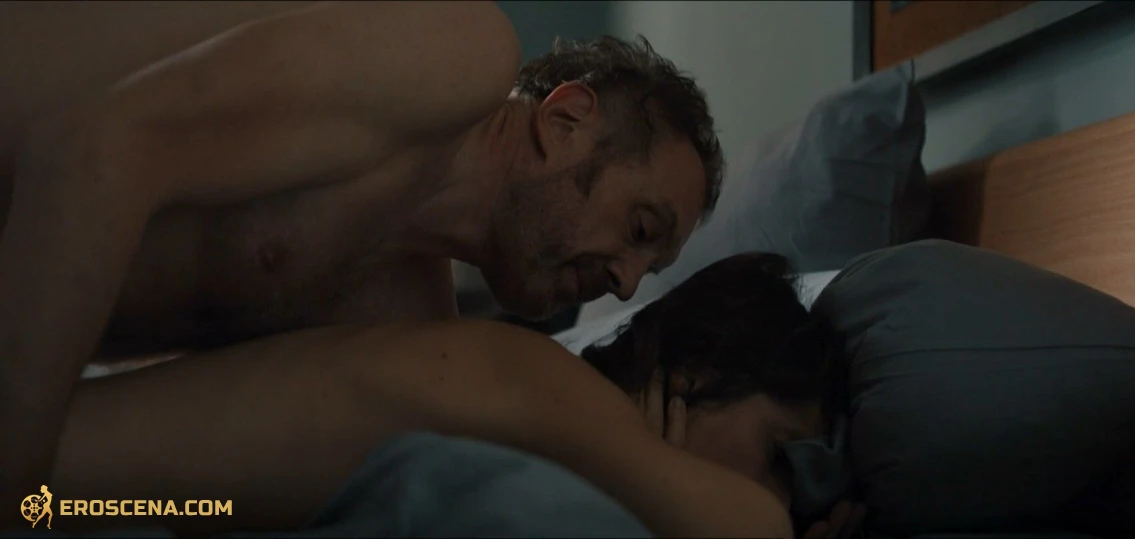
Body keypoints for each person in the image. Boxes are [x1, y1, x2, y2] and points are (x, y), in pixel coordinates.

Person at [0, 1, 725, 511]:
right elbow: (93, 152)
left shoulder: (404, 326)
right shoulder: (454, 49)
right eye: (640, 229)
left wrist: (627, 478)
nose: (625, 284)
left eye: (648, 269)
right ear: (565, 119)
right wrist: (17, 494)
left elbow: (187, 484)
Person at [41, 253, 857, 538]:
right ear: (696, 374)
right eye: (778, 454)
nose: (778, 493)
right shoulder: (552, 391)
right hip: (52, 503)